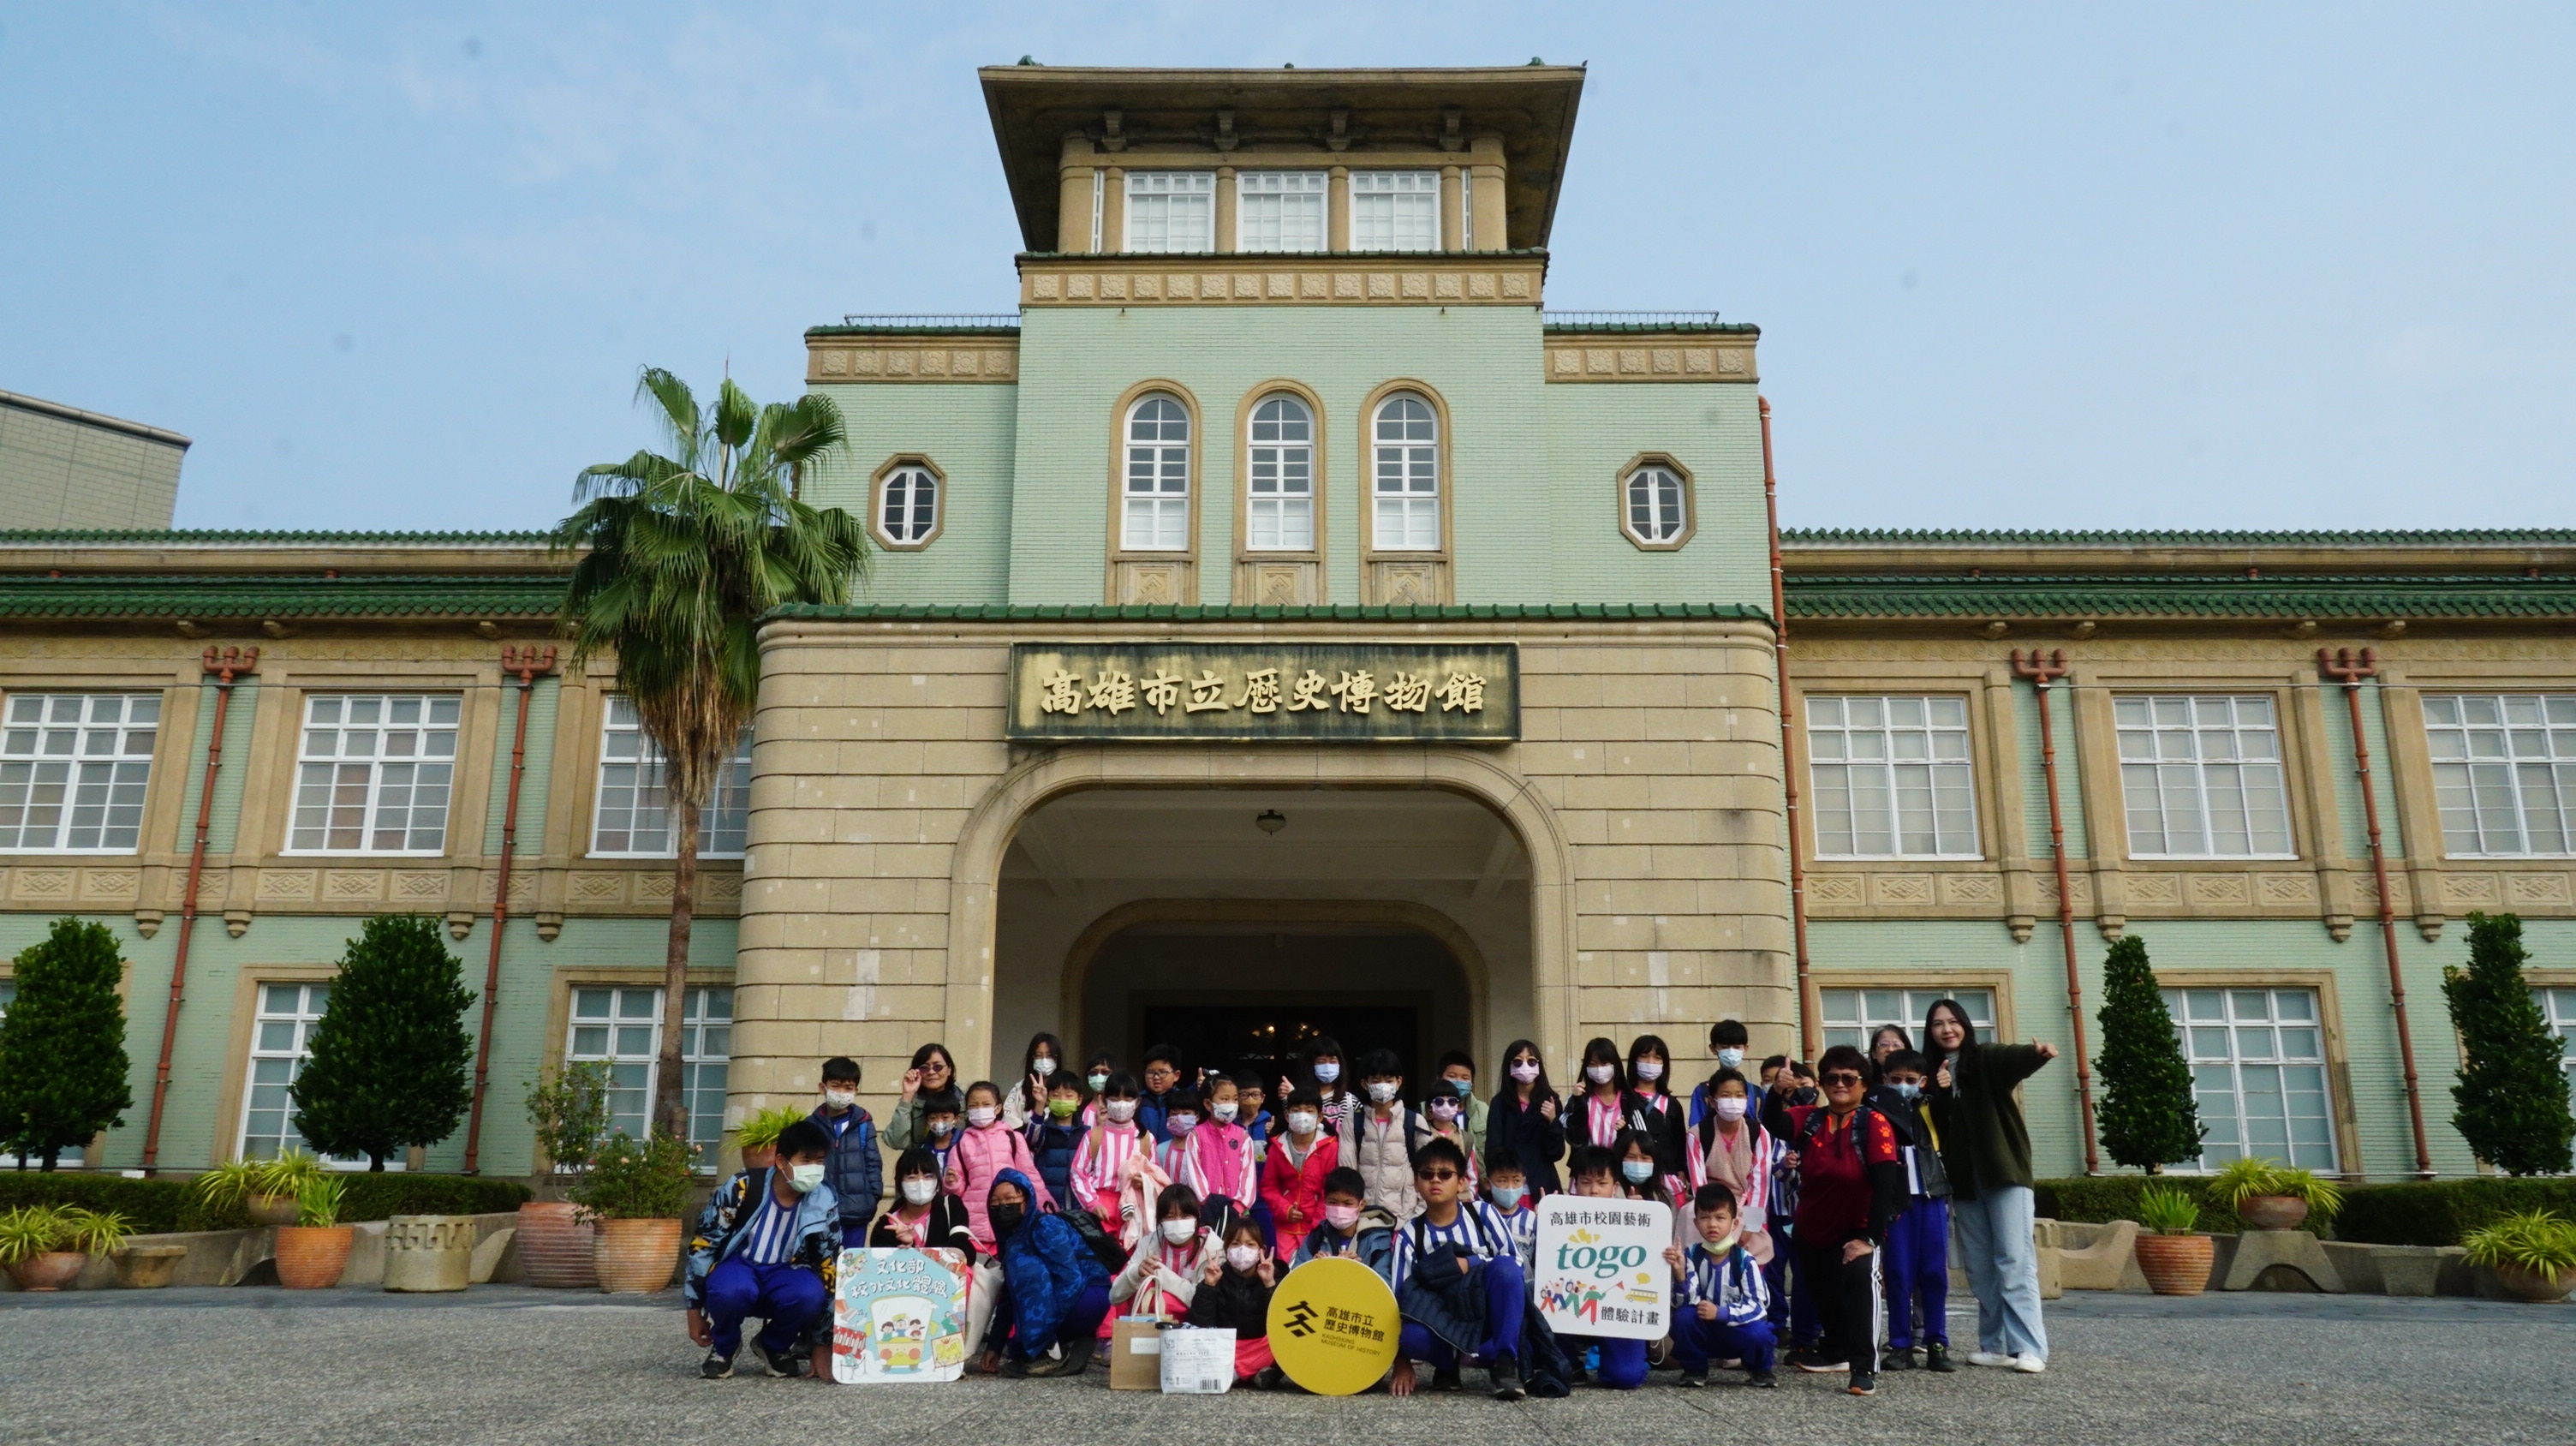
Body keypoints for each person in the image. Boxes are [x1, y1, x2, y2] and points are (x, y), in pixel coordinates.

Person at [1923, 996, 2056, 1374]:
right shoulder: (1932, 1074)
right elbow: (1939, 1125)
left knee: (2014, 1259)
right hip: (1964, 1181)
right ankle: (1994, 1344)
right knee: (1980, 1267)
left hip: (2004, 1173)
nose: (1947, 1029)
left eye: (1953, 1021)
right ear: (1930, 1033)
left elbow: (2014, 1059)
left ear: (1964, 1024)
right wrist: (1942, 1091)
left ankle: (2028, 1347)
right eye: (1938, 1024)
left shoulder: (1985, 1058)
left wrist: (2038, 1054)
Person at [1766, 1043, 1906, 1397]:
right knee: (1822, 1291)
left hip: (1858, 1227)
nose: (1840, 1084)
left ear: (1864, 1085)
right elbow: (1773, 1122)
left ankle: (1863, 1366)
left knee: (1860, 1286)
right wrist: (1776, 1091)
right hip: (1813, 1228)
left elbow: (1885, 1185)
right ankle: (1836, 1348)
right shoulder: (1811, 1118)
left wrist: (1870, 1239)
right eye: (1832, 1078)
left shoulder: (1874, 1124)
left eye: (1849, 1078)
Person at [684, 1120, 840, 1380]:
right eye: (805, 1160)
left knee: (809, 1294)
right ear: (781, 1161)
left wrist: (821, 1343)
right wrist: (693, 1310)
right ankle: (725, 1347)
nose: (814, 1169)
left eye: (820, 1161)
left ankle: (774, 1345)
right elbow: (703, 1244)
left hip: (789, 1271)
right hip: (741, 1266)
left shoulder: (824, 1199)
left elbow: (830, 1263)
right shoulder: (741, 1187)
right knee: (730, 1290)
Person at [1387, 1138, 1526, 1400]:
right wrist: (1402, 1362)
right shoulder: (1410, 1234)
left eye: (1445, 1174)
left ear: (1462, 1182)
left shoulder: (1482, 1213)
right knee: (1412, 1336)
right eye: (1427, 1175)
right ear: (1416, 1184)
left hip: (1484, 1313)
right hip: (1439, 1318)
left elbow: (1514, 1262)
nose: (1435, 1181)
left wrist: (1471, 1264)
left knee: (1506, 1269)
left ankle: (1505, 1364)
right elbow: (1399, 1300)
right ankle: (1446, 1364)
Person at [983, 1168, 1111, 1377]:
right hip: (1068, 1300)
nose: (1002, 1206)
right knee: (1018, 1347)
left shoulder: (1046, 1225)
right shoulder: (1012, 1238)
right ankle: (1066, 1343)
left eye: (1010, 1198)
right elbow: (1009, 1294)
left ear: (1027, 1198)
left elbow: (1070, 1279)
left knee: (1024, 1266)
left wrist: (1040, 1334)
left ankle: (1051, 1353)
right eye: (995, 1201)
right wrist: (995, 1346)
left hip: (1088, 1295)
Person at [1875, 1049, 1953, 1372]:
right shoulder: (1877, 1109)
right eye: (1896, 1080)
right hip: (1897, 1201)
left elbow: (1952, 1119)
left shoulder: (1931, 1106)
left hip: (1931, 1195)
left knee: (1934, 1272)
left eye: (1910, 1080)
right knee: (1897, 1273)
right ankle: (1900, 1343)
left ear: (1922, 1082)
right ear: (1884, 1081)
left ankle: (1936, 1341)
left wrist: (1945, 1090)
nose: (1903, 1086)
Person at [1666, 1182, 1778, 1388]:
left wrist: (1721, 1312)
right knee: (1683, 1318)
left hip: (1736, 1330)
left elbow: (1758, 1306)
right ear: (1696, 1222)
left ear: (1734, 1224)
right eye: (1705, 1217)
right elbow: (1683, 1303)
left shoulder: (1745, 1261)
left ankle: (1760, 1368)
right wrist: (1680, 1276)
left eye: (1720, 1218)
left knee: (1761, 1332)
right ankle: (1695, 1368)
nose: (1712, 1224)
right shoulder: (1691, 1256)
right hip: (1705, 1331)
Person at [1556, 1145, 1647, 1390]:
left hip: (1618, 1307)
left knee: (1626, 1377)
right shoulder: (1559, 1217)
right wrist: (1543, 1227)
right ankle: (1570, 1363)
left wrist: (1643, 1228)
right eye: (1585, 1182)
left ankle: (1611, 1362)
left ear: (1615, 1187)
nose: (1593, 1190)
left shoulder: (1637, 1218)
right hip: (1571, 1305)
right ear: (1573, 1184)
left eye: (1601, 1183)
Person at [946, 1080, 1051, 1248]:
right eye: (974, 1105)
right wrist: (952, 1183)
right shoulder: (960, 1145)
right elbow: (955, 1191)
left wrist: (1048, 1209)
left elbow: (1031, 1178)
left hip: (1011, 1222)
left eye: (986, 1104)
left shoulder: (1013, 1138)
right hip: (974, 1229)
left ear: (998, 1108)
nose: (980, 1109)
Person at [1693, 1067, 1779, 1266]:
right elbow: (1699, 1183)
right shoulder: (1697, 1134)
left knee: (1751, 1258)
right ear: (1712, 1101)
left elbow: (1761, 1180)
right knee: (1690, 1217)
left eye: (1739, 1095)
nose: (1733, 1100)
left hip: (1747, 1205)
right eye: (1725, 1095)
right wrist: (1715, 1217)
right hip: (1711, 1205)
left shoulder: (1758, 1132)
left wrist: (1750, 1224)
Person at [1192, 1216, 1285, 1389]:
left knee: (1281, 1342)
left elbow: (1280, 1323)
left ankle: (1237, 1373)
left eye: (1250, 1244)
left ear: (1261, 1250)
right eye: (1235, 1244)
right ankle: (1253, 1373)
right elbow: (1201, 1324)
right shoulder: (1217, 1277)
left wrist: (1269, 1285)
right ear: (1226, 1249)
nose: (1242, 1250)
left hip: (1259, 1347)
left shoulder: (1274, 1277)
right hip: (1227, 1346)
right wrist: (1209, 1286)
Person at [1341, 1048, 1434, 1220]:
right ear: (1365, 1084)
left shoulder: (1414, 1121)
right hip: (1363, 1217)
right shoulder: (1353, 1121)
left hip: (1404, 1217)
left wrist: (1418, 1214)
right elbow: (1347, 1172)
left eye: (1388, 1080)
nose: (1382, 1085)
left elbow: (1428, 1170)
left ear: (1399, 1082)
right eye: (1375, 1081)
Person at [1109, 1182, 1212, 1324]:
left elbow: (1204, 1303)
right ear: (1160, 1221)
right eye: (1170, 1217)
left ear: (1197, 1217)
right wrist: (1136, 1273)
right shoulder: (1149, 1243)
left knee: (1165, 1299)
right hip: (1147, 1324)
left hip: (1192, 1327)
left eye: (1185, 1216)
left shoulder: (1212, 1250)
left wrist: (1160, 1273)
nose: (1178, 1222)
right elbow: (1115, 1296)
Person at [808, 1055, 882, 1247]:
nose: (841, 1092)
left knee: (852, 1267)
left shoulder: (864, 1124)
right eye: (835, 1086)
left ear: (856, 1090)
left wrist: (873, 1197)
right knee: (822, 1265)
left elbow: (873, 1162)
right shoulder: (811, 1125)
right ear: (822, 1087)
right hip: (821, 1213)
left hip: (857, 1213)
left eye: (848, 1088)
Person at [1068, 1071, 1150, 1240]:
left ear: (1137, 1102)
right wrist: (1092, 1203)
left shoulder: (1145, 1139)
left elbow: (1153, 1174)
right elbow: (1078, 1173)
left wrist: (1144, 1182)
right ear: (1105, 1101)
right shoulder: (1094, 1136)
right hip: (1100, 1208)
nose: (1121, 1105)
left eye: (1128, 1100)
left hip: (1133, 1209)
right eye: (1115, 1099)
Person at [1261, 1090, 1340, 1261]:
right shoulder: (1277, 1147)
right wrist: (1285, 1209)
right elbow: (1268, 1187)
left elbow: (1330, 1191)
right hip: (1284, 1227)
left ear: (1320, 1117)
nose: (1302, 1115)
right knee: (1287, 1276)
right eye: (1296, 1110)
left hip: (1317, 1228)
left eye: (1309, 1110)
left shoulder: (1330, 1147)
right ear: (1287, 1116)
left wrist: (1316, 1224)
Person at [1485, 1038, 1566, 1196]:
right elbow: (1493, 1150)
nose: (1524, 1067)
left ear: (1539, 1065)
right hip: (1509, 1186)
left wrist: (1552, 1122)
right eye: (1517, 1062)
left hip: (1542, 1184)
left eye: (1531, 1061)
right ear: (1509, 1066)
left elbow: (1557, 1153)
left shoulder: (1551, 1100)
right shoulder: (1500, 1103)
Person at [1623, 1033, 1696, 1201]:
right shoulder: (1623, 1099)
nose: (1650, 1062)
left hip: (1667, 1183)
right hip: (1631, 1180)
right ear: (1634, 1061)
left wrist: (1681, 1173)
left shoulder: (1672, 1104)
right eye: (1644, 1056)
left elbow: (1679, 1144)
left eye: (1657, 1058)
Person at [870, 1147, 973, 1251]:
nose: (921, 1182)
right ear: (899, 1183)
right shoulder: (886, 1227)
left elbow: (964, 1252)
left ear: (938, 1180)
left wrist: (916, 1250)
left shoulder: (952, 1207)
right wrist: (908, 1246)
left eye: (928, 1176)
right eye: (912, 1177)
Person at [1192, 1075, 1259, 1217]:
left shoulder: (1243, 1136)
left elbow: (1248, 1175)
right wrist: (1208, 1203)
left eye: (1235, 1099)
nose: (1231, 1104)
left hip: (1237, 1214)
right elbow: (1194, 1174)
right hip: (1206, 1212)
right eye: (1224, 1099)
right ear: (1208, 1104)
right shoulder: (1196, 1136)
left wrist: (1239, 1206)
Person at [1023, 1069, 1088, 1213]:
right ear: (1049, 1099)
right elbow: (1031, 1139)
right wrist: (1039, 1105)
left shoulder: (1086, 1133)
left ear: (1079, 1100)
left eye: (1068, 1095)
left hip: (1080, 1206)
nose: (1062, 1100)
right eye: (1056, 1096)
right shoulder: (1044, 1130)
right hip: (1049, 1204)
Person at [1288, 1165, 1376, 1268]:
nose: (1339, 1209)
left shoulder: (1375, 1239)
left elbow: (1383, 1280)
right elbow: (1296, 1278)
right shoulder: (1315, 1238)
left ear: (1361, 1205)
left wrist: (1359, 1269)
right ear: (1325, 1202)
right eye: (1333, 1202)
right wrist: (1312, 1267)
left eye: (1347, 1204)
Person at [884, 1043, 958, 1150]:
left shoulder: (964, 1100)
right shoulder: (912, 1102)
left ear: (949, 1069)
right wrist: (907, 1095)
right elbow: (897, 1142)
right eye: (924, 1068)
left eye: (938, 1067)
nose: (931, 1072)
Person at [1285, 1036, 1359, 1138]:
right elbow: (1290, 1131)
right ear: (1310, 1065)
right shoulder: (1298, 1099)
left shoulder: (1351, 1101)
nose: (1327, 1066)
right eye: (1321, 1062)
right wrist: (1288, 1098)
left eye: (1333, 1061)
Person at [1690, 1019, 1753, 1127]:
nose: (1731, 1052)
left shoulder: (1756, 1094)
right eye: (1724, 1047)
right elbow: (1696, 1128)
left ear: (1745, 1049)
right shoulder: (1702, 1091)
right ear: (1713, 1049)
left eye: (1737, 1047)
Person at [1483, 1149, 1538, 1270]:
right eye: (1503, 1181)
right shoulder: (1482, 1216)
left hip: (1525, 1285)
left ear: (1523, 1182)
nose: (1510, 1187)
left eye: (1516, 1181)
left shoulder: (1532, 1219)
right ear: (1488, 1183)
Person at [1423, 1079, 1482, 1192]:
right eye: (1439, 1101)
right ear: (1430, 1107)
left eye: (1452, 1102)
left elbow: (1472, 1177)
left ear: (1458, 1107)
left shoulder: (1467, 1139)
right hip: (1428, 1201)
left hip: (1459, 1201)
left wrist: (1466, 1199)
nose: (1446, 1106)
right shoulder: (1421, 1135)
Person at [1574, 1037, 1628, 1156]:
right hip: (1586, 1169)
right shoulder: (1580, 1098)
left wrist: (1624, 1132)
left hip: (1618, 1170)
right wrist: (1578, 1103)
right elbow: (1573, 1138)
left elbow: (1639, 1140)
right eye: (1593, 1064)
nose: (1599, 1069)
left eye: (1604, 1063)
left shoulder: (1629, 1100)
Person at [1001, 1031, 1065, 1128]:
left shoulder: (1067, 1086)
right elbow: (1009, 1122)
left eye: (1049, 1056)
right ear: (1032, 1059)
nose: (1044, 1061)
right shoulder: (1020, 1089)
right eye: (1039, 1056)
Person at [1434, 1049, 1489, 1144]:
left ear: (1472, 1082)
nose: (1458, 1082)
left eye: (1465, 1078)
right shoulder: (1425, 1109)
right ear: (1439, 1078)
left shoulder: (1483, 1110)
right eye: (1452, 1076)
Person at [1137, 1043, 1185, 1141]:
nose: (1156, 1077)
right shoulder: (1137, 1101)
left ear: (1176, 1075)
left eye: (1163, 1072)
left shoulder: (1183, 1100)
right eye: (1150, 1072)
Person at [916, 1089, 965, 1178]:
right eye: (933, 1118)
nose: (939, 1122)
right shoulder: (924, 1148)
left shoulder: (964, 1144)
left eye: (945, 1117)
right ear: (927, 1120)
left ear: (957, 1119)